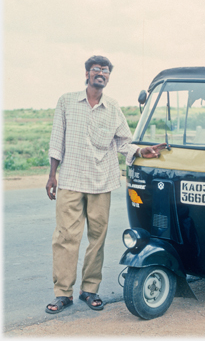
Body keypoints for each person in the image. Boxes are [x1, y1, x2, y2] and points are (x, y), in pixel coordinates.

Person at [45, 55, 166, 314]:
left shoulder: (113, 108)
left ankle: (89, 290)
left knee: (97, 239)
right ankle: (62, 293)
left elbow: (125, 142)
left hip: (101, 181)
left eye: (106, 71)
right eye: (96, 69)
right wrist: (52, 175)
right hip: (70, 180)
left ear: (108, 77)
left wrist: (143, 151)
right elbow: (57, 140)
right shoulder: (66, 101)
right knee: (66, 237)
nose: (101, 74)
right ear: (87, 73)